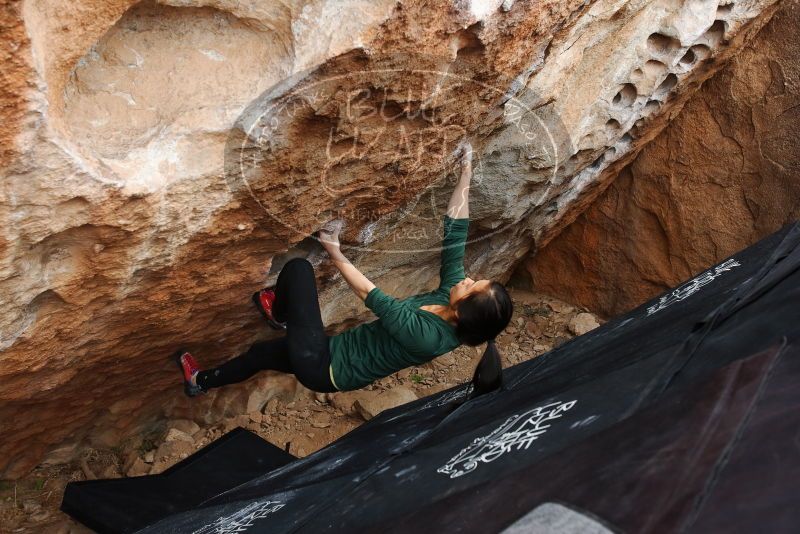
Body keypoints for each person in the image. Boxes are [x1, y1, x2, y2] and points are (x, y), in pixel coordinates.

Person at [175, 141, 513, 398]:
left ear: (462, 310)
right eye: (475, 280)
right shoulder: (451, 300)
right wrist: (466, 172)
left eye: (471, 287)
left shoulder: (428, 337)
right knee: (259, 354)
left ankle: (281, 315)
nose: (468, 278)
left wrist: (332, 248)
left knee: (297, 270)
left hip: (324, 367)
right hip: (332, 351)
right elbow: (455, 234)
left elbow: (372, 296)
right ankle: (199, 382)